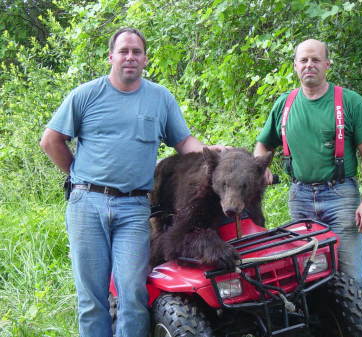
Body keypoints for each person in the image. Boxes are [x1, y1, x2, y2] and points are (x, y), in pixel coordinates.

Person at [40, 27, 225, 337]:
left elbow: (184, 142)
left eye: (136, 52)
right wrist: (77, 176)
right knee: (92, 298)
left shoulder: (159, 98)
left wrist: (215, 152)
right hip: (87, 205)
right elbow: (51, 141)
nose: (130, 57)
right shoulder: (86, 95)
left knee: (133, 293)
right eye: (123, 51)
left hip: (134, 208)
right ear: (111, 56)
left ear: (145, 58)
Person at [254, 39, 362, 300]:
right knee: (305, 275)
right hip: (299, 197)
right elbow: (263, 145)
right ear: (295, 66)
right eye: (303, 60)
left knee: (351, 275)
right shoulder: (284, 104)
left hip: (341, 197)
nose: (309, 65)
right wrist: (261, 168)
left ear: (327, 64)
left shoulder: (349, 101)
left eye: (315, 60)